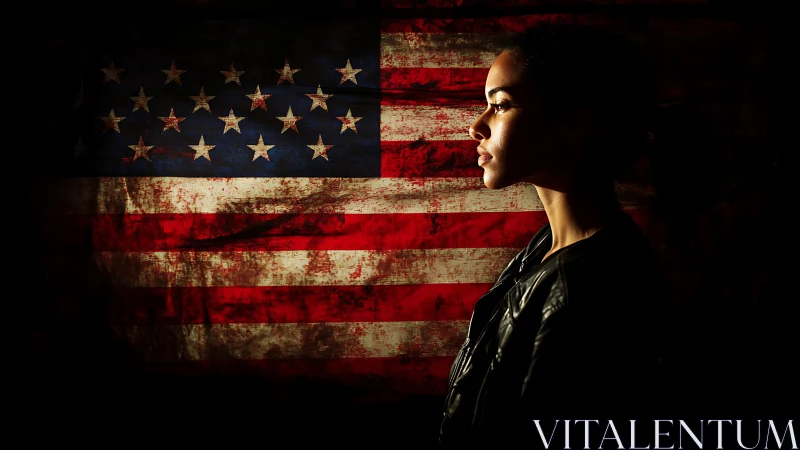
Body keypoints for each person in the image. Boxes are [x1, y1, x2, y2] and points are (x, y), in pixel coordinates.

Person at [439, 23, 670, 446]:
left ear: (574, 124)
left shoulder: (588, 284)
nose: (477, 125)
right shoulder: (548, 250)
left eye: (501, 105)